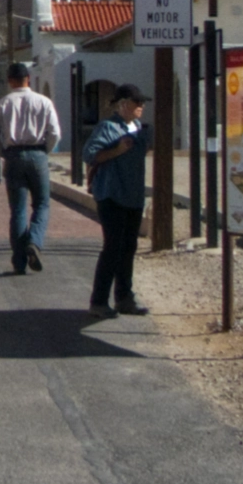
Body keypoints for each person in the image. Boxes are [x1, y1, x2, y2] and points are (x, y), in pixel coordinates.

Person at [83, 83, 153, 318]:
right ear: (123, 104)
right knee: (113, 248)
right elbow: (89, 154)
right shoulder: (108, 128)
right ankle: (99, 301)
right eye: (137, 102)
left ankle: (125, 298)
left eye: (142, 102)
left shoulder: (140, 129)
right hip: (111, 195)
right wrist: (117, 151)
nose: (141, 106)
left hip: (133, 196)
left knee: (128, 248)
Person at [0, 61, 62, 275]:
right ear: (28, 79)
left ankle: (19, 261)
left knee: (18, 210)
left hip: (13, 155)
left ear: (10, 81)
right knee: (42, 203)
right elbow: (55, 134)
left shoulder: (3, 104)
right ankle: (35, 241)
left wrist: (3, 152)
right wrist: (44, 151)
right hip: (38, 153)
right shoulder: (44, 102)